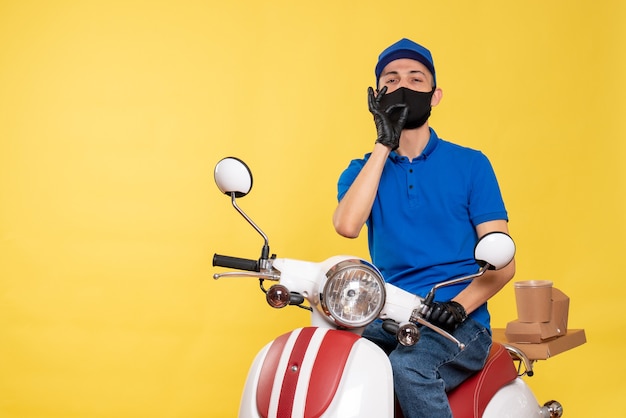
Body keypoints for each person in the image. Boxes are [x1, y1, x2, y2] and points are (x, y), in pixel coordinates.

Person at [333, 38, 516, 417]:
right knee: (331, 360)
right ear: (378, 95)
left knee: (409, 368)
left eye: (416, 80)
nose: (404, 87)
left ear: (435, 96)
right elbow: (347, 225)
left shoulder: (471, 165)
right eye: (392, 79)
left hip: (456, 319)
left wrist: (458, 307)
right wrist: (385, 143)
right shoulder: (362, 170)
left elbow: (504, 263)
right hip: (387, 314)